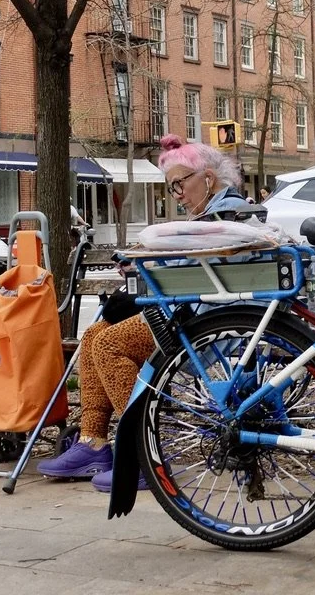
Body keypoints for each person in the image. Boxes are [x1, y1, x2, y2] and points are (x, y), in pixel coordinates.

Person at [37, 134, 251, 491]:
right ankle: (93, 442)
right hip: (191, 310)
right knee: (93, 336)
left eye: (180, 184)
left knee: (108, 345)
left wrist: (147, 271)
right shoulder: (214, 213)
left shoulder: (226, 213)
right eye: (171, 188)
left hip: (203, 318)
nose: (177, 194)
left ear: (208, 178)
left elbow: (200, 274)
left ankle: (141, 452)